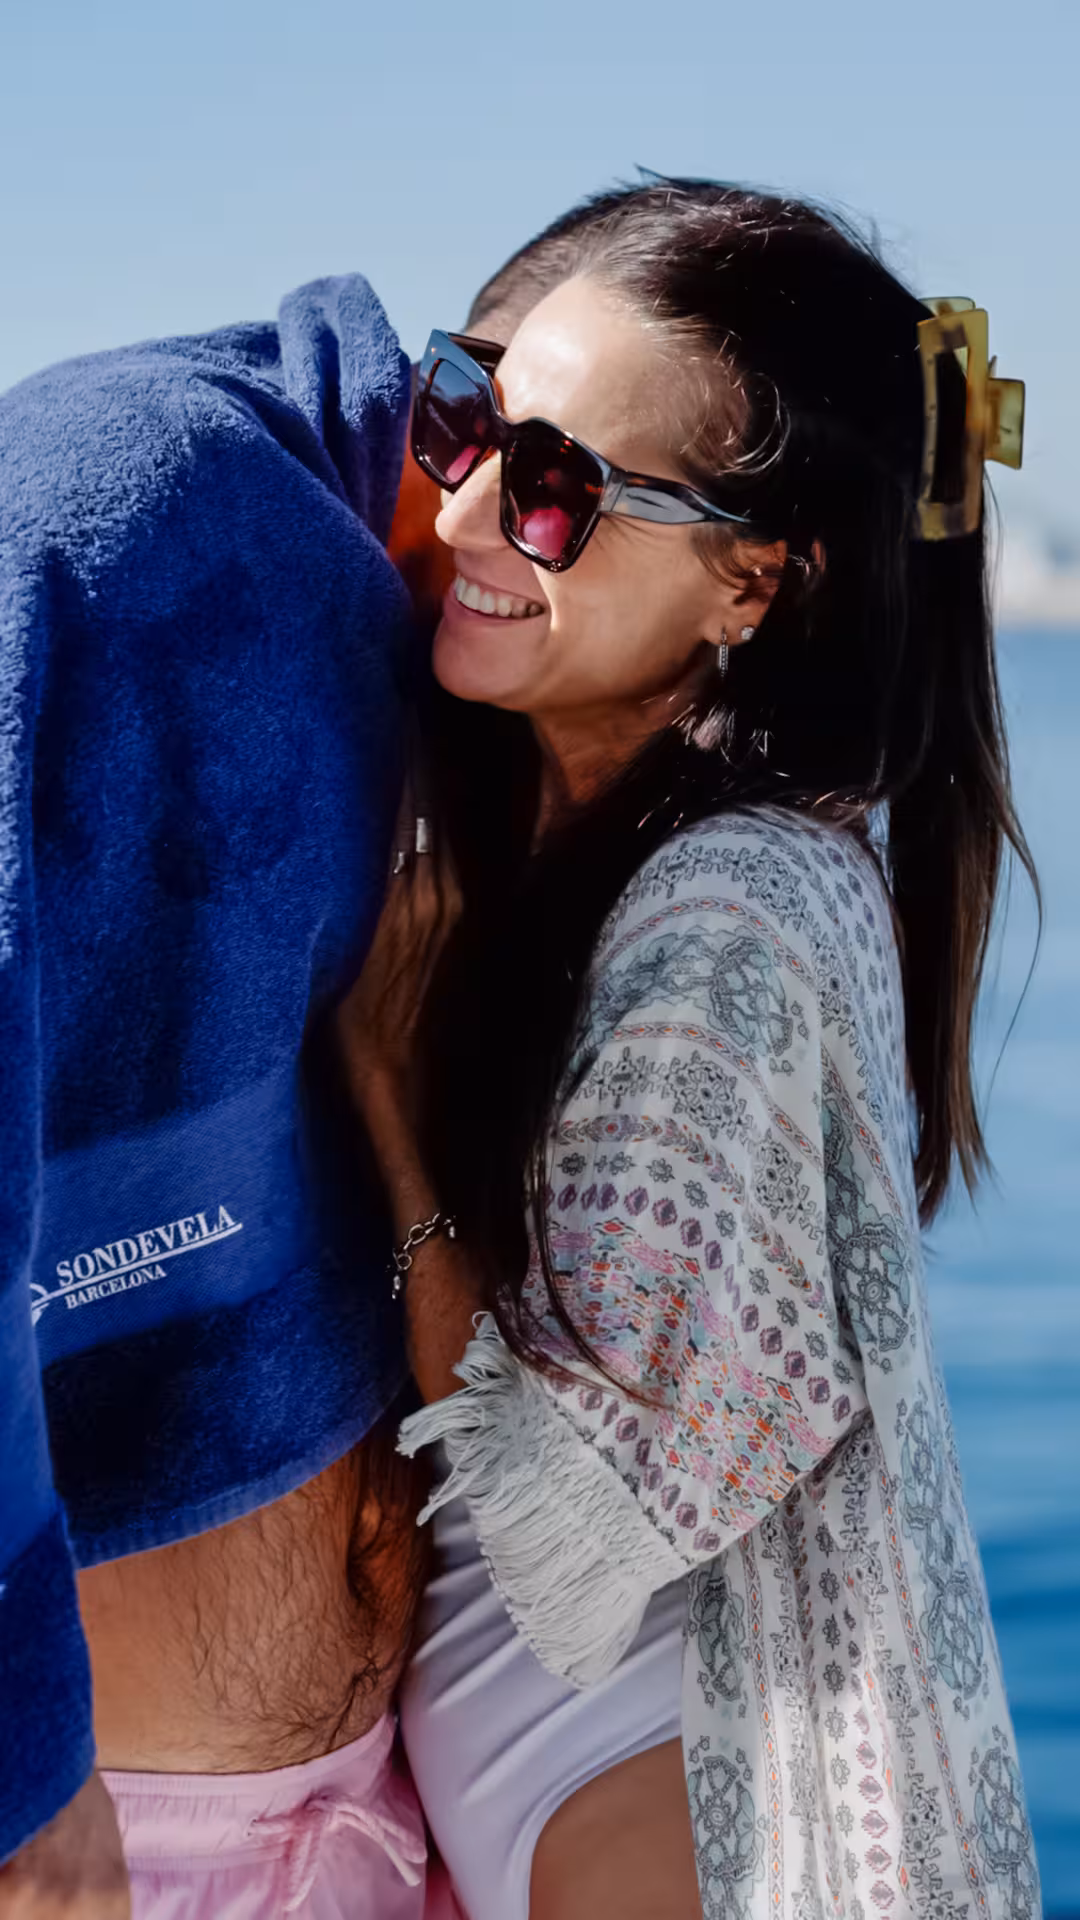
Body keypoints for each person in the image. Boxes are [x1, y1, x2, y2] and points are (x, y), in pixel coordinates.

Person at [340, 180, 1043, 1919]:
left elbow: (577, 1552)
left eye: (566, 490)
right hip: (572, 1782)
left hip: (653, 1795)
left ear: (750, 579)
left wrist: (384, 1089)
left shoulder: (722, 920)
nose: (482, 506)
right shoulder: (610, 854)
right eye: (467, 421)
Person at [0, 277, 439, 1918]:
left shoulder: (401, 688)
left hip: (376, 1813)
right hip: (111, 1854)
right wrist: (21, 1787)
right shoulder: (141, 524)